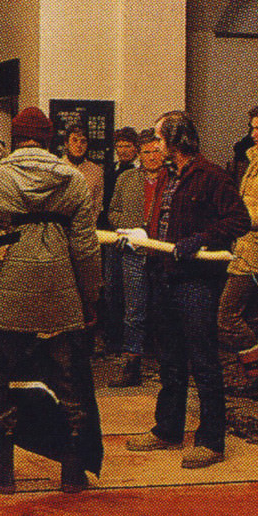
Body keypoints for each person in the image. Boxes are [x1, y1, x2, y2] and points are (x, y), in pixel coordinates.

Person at [0, 106, 103, 494]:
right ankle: (73, 473)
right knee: (70, 385)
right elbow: (87, 250)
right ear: (48, 139)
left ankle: (2, 472)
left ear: (15, 136)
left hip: (6, 299)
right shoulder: (73, 180)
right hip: (62, 297)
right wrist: (91, 300)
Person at [126, 111, 249, 469]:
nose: (155, 145)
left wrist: (200, 239)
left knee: (204, 361)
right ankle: (168, 428)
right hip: (164, 275)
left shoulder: (211, 176)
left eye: (160, 139)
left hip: (196, 282)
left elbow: (240, 219)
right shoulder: (168, 176)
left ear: (176, 141)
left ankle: (211, 441)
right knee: (170, 361)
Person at [219, 103, 258, 400]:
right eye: (252, 128)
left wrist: (235, 217)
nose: (253, 134)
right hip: (249, 248)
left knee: (226, 315)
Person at [106, 128, 166, 387]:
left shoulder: (173, 179)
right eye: (146, 152)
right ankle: (131, 365)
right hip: (133, 252)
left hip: (163, 253)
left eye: (156, 151)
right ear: (138, 154)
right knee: (134, 310)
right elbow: (113, 212)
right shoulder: (126, 179)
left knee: (165, 309)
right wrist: (130, 228)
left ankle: (168, 365)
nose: (151, 157)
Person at [98, 126, 140, 354]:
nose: (123, 150)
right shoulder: (109, 171)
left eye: (127, 146)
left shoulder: (139, 173)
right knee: (112, 287)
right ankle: (112, 338)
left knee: (133, 290)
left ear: (136, 149)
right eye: (120, 146)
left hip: (136, 236)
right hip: (112, 235)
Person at [61, 122, 104, 216]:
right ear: (66, 144)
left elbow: (97, 206)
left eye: (83, 141)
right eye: (74, 140)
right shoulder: (57, 168)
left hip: (86, 226)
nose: (79, 145)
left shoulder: (96, 171)